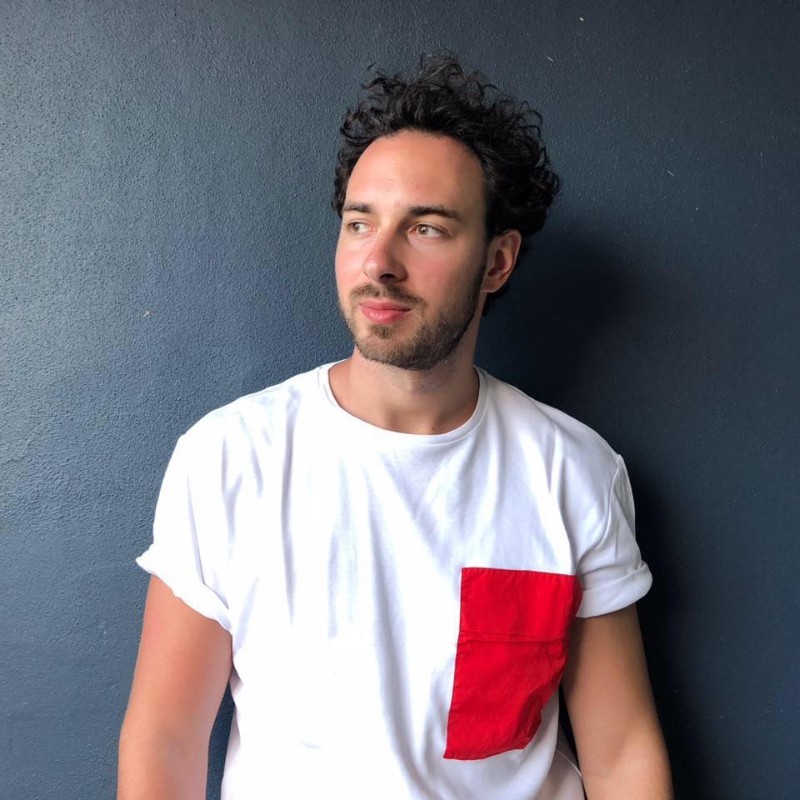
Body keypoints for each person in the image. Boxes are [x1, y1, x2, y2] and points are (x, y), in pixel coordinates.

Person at [118, 54, 672, 799]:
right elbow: (166, 739)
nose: (378, 261)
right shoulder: (229, 458)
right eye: (360, 223)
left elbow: (623, 753)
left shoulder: (572, 471)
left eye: (427, 228)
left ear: (497, 262)